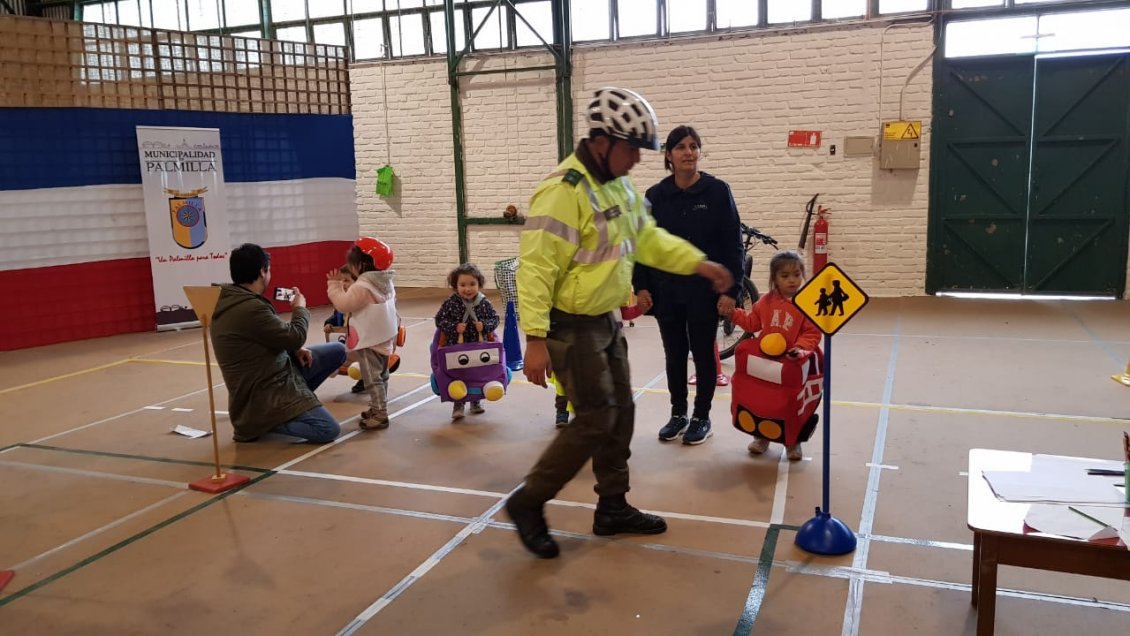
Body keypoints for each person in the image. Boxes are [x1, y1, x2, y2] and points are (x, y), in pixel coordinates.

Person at [504, 87, 733, 559]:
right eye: (632, 149)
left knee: (621, 412)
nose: (638, 159)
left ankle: (612, 507)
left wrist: (697, 263)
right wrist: (535, 338)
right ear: (602, 142)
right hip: (570, 324)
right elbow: (536, 269)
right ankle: (528, 501)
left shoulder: (619, 186)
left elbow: (647, 240)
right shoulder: (562, 192)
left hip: (605, 319)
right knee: (595, 418)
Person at [634, 125, 744, 446]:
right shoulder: (655, 196)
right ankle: (678, 413)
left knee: (703, 353)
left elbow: (732, 244)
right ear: (668, 155)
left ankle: (701, 417)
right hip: (666, 291)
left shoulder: (718, 191)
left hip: (703, 292)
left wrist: (731, 291)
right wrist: (641, 286)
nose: (689, 152)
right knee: (674, 354)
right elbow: (642, 244)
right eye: (681, 147)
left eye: (694, 146)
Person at [210, 243, 346, 443]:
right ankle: (266, 422)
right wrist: (299, 308)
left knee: (337, 350)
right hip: (266, 389)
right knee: (328, 429)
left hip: (275, 372)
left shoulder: (235, 300)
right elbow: (295, 336)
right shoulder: (250, 308)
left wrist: (295, 349)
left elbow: (271, 337)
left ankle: (295, 407)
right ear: (262, 272)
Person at [720, 250, 820, 460]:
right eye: (785, 276)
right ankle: (761, 437)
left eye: (796, 274)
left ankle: (793, 442)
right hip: (767, 362)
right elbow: (752, 322)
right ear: (774, 278)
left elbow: (812, 333)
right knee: (764, 400)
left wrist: (800, 349)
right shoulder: (766, 302)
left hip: (793, 363)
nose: (792, 280)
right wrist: (733, 313)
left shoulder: (807, 303)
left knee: (791, 404)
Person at [327, 237, 400, 431]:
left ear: (362, 265)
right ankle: (377, 407)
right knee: (382, 376)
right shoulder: (385, 282)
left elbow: (343, 305)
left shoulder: (363, 286)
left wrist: (334, 286)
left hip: (369, 340)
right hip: (385, 337)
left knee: (372, 378)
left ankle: (380, 414)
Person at [434, 262, 501, 420]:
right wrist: (454, 327)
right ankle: (458, 403)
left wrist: (484, 325)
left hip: (478, 346)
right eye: (462, 285)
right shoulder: (451, 303)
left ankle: (475, 401)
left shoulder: (484, 303)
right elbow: (439, 320)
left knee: (477, 373)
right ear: (455, 286)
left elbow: (495, 319)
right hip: (456, 346)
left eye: (472, 284)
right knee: (459, 374)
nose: (468, 289)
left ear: (479, 284)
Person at [324, 265, 365, 394]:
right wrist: (328, 324)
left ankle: (364, 378)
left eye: (346, 280)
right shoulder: (341, 303)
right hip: (346, 342)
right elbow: (335, 317)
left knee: (361, 358)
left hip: (361, 345)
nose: (343, 284)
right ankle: (335, 365)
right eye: (340, 280)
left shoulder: (361, 302)